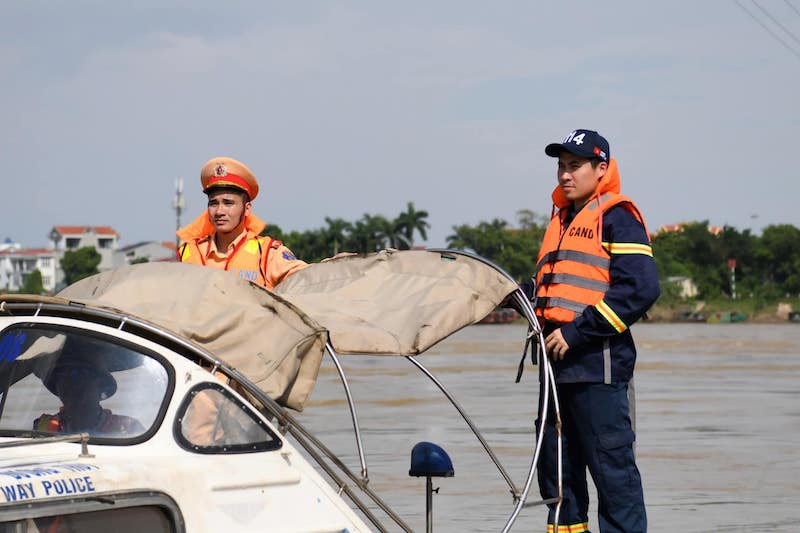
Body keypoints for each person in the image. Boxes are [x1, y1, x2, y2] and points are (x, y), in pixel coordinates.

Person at [530, 129, 660, 533]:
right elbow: (549, 288)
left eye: (574, 166)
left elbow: (640, 289)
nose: (565, 175)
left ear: (601, 168)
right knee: (558, 480)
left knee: (613, 475)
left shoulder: (618, 215)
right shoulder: (562, 219)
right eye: (561, 167)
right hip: (555, 372)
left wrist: (576, 333)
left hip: (597, 368)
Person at [176, 156, 308, 290]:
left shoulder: (267, 254)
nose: (219, 211)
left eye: (228, 203)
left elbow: (311, 280)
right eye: (213, 203)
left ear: (247, 208)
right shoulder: (188, 253)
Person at [35, 356, 145, 436]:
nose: (71, 384)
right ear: (58, 388)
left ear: (100, 385)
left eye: (81, 375)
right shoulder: (42, 427)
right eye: (61, 376)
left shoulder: (128, 428)